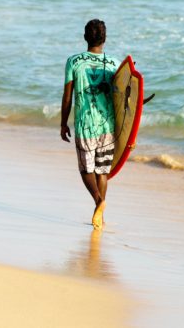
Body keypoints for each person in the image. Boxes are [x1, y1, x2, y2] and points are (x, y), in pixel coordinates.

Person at [61, 19, 119, 230]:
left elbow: (67, 96)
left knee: (86, 170)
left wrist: (63, 122)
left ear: (85, 37)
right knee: (102, 171)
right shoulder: (114, 64)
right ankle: (100, 217)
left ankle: (98, 201)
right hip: (108, 126)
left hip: (86, 125)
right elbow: (123, 102)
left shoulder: (74, 62)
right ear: (104, 38)